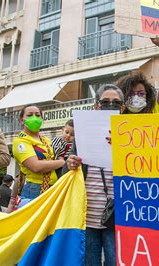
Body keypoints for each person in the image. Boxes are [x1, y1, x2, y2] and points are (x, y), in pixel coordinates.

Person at [65, 84, 126, 266]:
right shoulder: (82, 134)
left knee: (115, 261)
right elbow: (67, 173)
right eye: (105, 101)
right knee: (90, 262)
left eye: (116, 102)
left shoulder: (130, 133)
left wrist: (123, 146)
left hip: (117, 215)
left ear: (122, 107)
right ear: (96, 106)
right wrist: (69, 164)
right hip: (88, 215)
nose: (110, 105)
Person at [12, 105, 65, 201]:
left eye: (37, 115)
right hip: (34, 189)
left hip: (53, 188)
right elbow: (36, 166)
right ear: (22, 120)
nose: (34, 118)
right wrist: (61, 162)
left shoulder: (46, 140)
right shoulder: (21, 141)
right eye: (29, 115)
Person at [116, 37, 159, 114]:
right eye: (131, 94)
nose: (136, 97)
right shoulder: (117, 115)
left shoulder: (155, 111)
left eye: (141, 93)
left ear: (147, 95)